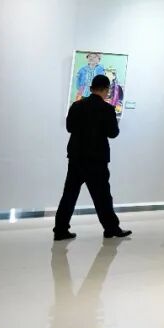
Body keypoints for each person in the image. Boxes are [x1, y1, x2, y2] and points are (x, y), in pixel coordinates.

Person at [54, 74, 131, 240]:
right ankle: (111, 228)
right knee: (102, 196)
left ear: (91, 88)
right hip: (97, 159)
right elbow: (113, 133)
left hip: (76, 157)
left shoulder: (76, 106)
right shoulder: (107, 109)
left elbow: (69, 128)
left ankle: (60, 229)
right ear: (106, 90)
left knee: (69, 194)